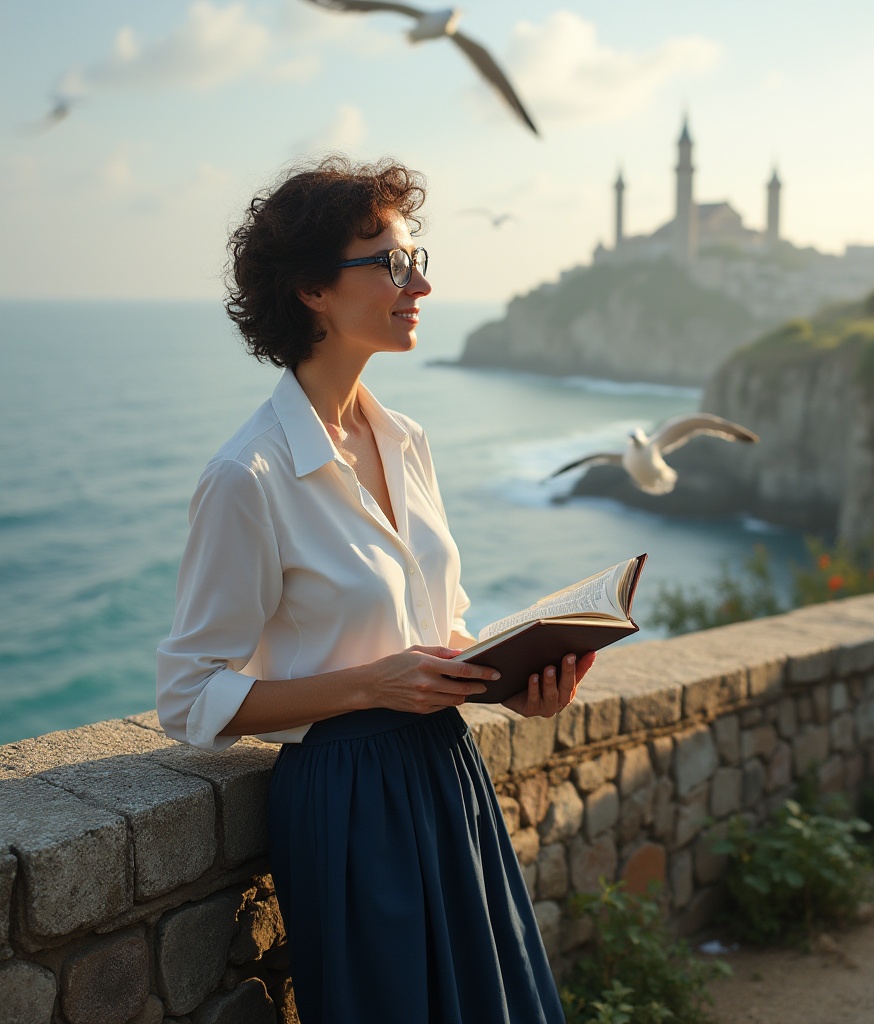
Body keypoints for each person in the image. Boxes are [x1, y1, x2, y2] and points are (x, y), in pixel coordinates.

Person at [156, 155, 596, 1024]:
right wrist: (371, 685)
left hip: (445, 775)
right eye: (390, 263)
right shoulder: (248, 476)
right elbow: (187, 695)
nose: (420, 282)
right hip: (350, 803)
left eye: (416, 256)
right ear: (313, 290)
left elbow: (443, 627)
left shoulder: (407, 440)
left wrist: (513, 683)